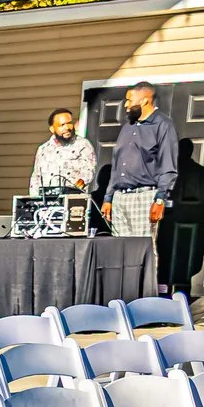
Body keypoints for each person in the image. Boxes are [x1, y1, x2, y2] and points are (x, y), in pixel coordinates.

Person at [102, 83, 178, 275]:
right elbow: (117, 164)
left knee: (143, 250)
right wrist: (108, 198)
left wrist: (160, 198)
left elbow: (168, 165)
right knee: (120, 250)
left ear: (144, 100)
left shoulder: (162, 125)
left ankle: (143, 297)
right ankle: (124, 295)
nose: (126, 104)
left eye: (129, 99)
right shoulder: (128, 126)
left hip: (144, 196)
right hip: (120, 197)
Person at [30, 107, 96, 194]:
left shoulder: (83, 144)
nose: (67, 128)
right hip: (46, 201)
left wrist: (76, 187)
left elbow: (88, 171)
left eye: (69, 123)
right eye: (62, 125)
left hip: (72, 201)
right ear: (52, 129)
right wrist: (34, 199)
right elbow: (36, 177)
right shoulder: (43, 149)